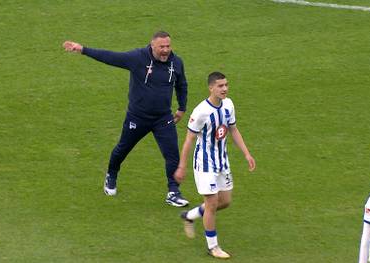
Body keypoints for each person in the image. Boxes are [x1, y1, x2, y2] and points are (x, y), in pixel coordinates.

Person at [63, 31, 189, 207]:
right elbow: (111, 57)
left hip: (163, 118)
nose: (166, 50)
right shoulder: (137, 58)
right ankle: (111, 175)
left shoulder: (176, 62)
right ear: (152, 45)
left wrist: (182, 107)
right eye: (162, 47)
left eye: (168, 46)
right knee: (122, 149)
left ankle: (173, 192)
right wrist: (83, 49)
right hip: (138, 117)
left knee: (172, 155)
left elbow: (182, 85)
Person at [174, 71, 256, 259]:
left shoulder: (229, 105)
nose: (225, 88)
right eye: (220, 86)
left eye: (226, 85)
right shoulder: (201, 111)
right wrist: (182, 166)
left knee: (225, 201)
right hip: (204, 164)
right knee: (211, 203)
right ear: (211, 87)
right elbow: (189, 140)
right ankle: (213, 246)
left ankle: (190, 216)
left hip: (222, 162)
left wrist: (246, 153)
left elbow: (233, 129)